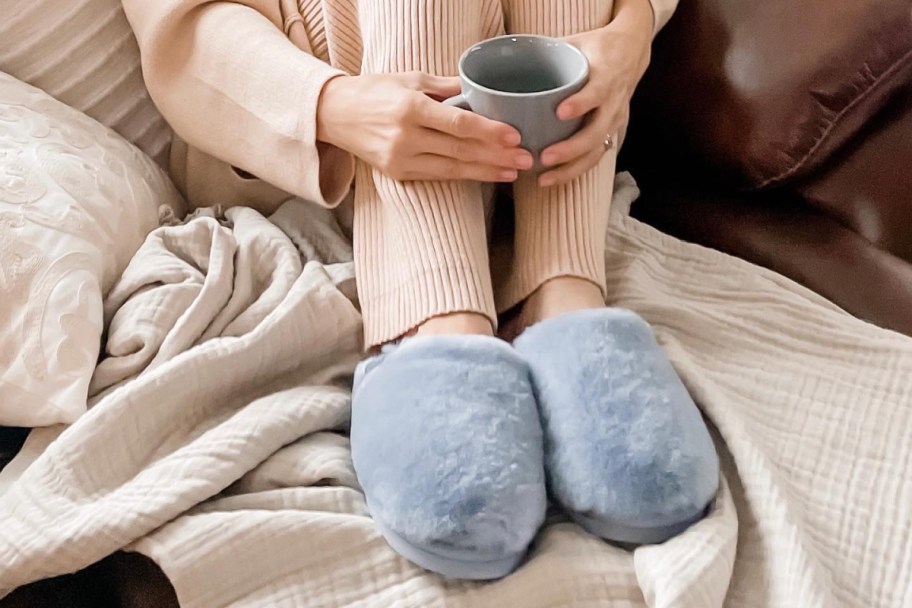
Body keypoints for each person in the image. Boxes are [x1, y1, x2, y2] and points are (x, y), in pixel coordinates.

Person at [123, 0, 719, 580]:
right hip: (319, 126)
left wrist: (629, 33)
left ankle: (560, 287)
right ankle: (433, 315)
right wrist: (332, 106)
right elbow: (183, 27)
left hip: (519, 138)